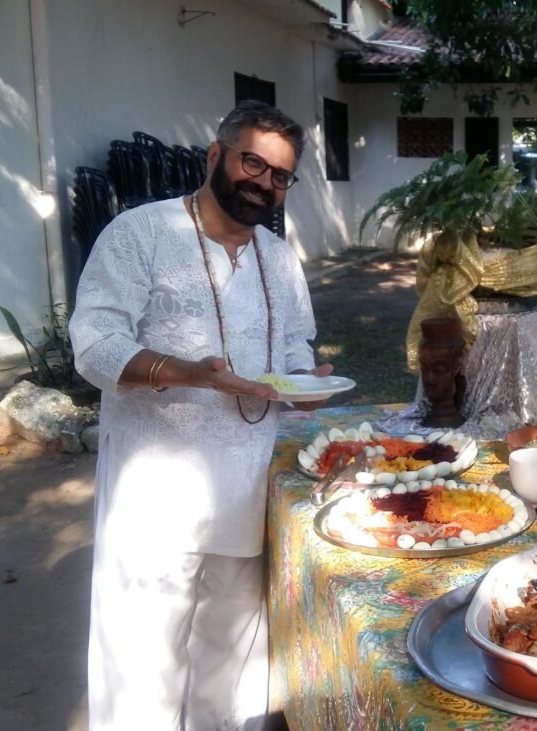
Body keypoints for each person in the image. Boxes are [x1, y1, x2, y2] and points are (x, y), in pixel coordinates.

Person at [70, 100, 332, 729]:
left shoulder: (279, 257)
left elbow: (295, 347)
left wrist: (305, 384)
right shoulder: (140, 234)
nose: (264, 183)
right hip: (155, 499)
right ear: (216, 155)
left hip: (246, 494)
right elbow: (94, 345)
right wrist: (188, 373)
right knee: (143, 672)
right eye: (253, 163)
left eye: (280, 175)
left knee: (233, 667)